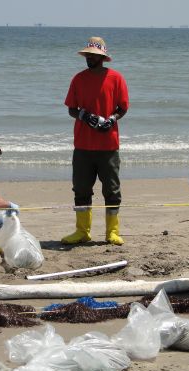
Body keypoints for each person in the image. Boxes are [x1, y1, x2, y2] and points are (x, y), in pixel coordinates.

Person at [62, 36, 129, 246]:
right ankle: (82, 231)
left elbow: (123, 108)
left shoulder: (116, 78)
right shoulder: (78, 79)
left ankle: (112, 232)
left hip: (108, 146)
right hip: (82, 145)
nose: (90, 58)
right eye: (88, 55)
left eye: (94, 55)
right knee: (81, 189)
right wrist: (84, 116)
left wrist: (112, 119)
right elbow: (71, 108)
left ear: (102, 57)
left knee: (112, 190)